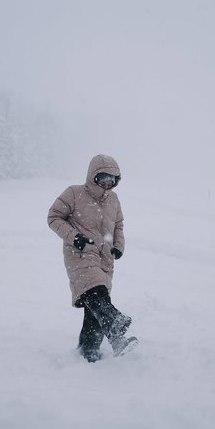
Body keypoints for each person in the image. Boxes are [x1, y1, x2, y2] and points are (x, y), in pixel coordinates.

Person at [47, 154, 137, 362]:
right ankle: (115, 323)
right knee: (95, 292)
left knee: (93, 308)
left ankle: (89, 351)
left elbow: (118, 226)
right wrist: (74, 237)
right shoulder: (74, 193)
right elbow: (53, 217)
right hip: (79, 252)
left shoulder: (113, 200)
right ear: (93, 176)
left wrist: (118, 246)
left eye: (112, 179)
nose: (108, 182)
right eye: (103, 177)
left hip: (105, 259)